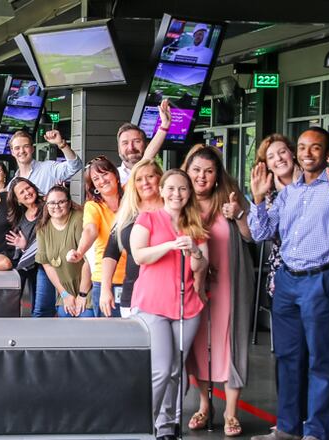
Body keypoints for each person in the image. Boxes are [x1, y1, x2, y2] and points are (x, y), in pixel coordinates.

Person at [249, 128, 329, 440]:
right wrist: (258, 198)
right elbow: (261, 233)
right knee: (287, 358)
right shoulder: (288, 194)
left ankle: (316, 430)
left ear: (326, 153)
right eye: (302, 146)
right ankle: (288, 429)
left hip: (320, 279)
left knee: (320, 358)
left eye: (314, 148)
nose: (306, 153)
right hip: (287, 280)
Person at [130, 169, 209, 440]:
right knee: (161, 369)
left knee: (176, 369)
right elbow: (140, 255)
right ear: (162, 191)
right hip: (152, 304)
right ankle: (140, 423)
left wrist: (195, 251)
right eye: (172, 188)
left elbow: (201, 266)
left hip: (186, 306)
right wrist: (170, 246)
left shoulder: (194, 224)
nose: (177, 194)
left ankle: (167, 427)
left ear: (189, 194)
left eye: (183, 189)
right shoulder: (148, 218)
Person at [181, 145, 254, 437]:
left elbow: (251, 236)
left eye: (209, 171)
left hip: (230, 283)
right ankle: (204, 404)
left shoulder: (232, 198)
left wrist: (239, 215)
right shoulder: (180, 202)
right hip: (193, 286)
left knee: (230, 343)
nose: (202, 176)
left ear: (217, 175)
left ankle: (231, 411)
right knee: (197, 343)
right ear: (187, 172)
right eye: (196, 170)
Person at [100, 159, 164, 318]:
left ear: (160, 178)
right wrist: (105, 289)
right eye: (139, 179)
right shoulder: (128, 212)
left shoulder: (172, 210)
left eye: (150, 176)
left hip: (165, 295)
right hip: (132, 295)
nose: (145, 183)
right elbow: (111, 252)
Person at [67, 156, 125, 317]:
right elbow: (90, 230)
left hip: (135, 275)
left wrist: (163, 129)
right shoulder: (93, 206)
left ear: (115, 175)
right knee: (108, 335)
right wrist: (79, 251)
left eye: (105, 174)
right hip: (105, 278)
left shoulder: (131, 197)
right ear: (93, 186)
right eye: (96, 179)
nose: (102, 180)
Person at [253, 134, 302, 297]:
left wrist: (295, 189)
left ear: (292, 153)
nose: (279, 159)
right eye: (271, 156)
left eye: (282, 152)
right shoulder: (268, 194)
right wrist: (258, 198)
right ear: (266, 164)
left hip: (316, 273)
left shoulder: (312, 183)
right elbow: (261, 234)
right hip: (282, 271)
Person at [35, 185, 93, 317]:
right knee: (64, 316)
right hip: (66, 291)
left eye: (61, 202)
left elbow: (88, 259)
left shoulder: (79, 219)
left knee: (86, 316)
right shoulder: (42, 229)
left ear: (69, 202)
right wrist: (64, 294)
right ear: (46, 204)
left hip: (88, 286)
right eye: (52, 203)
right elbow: (47, 265)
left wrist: (82, 294)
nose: (57, 206)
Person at [5, 177, 51, 316]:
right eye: (21, 192)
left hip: (47, 263)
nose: (27, 193)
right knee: (32, 304)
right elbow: (22, 246)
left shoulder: (48, 206)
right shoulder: (19, 217)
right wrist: (23, 247)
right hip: (30, 266)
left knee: (42, 308)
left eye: (28, 188)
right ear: (18, 200)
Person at [8, 129, 82, 194]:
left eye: (26, 146)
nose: (22, 151)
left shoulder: (48, 168)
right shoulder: (13, 183)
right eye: (17, 148)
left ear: (32, 149)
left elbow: (75, 166)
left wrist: (61, 144)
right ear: (12, 152)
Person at [116, 99, 171, 184]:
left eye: (136, 141)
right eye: (125, 143)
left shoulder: (159, 177)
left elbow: (146, 159)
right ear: (119, 149)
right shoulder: (111, 177)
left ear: (147, 145)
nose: (131, 147)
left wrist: (165, 124)